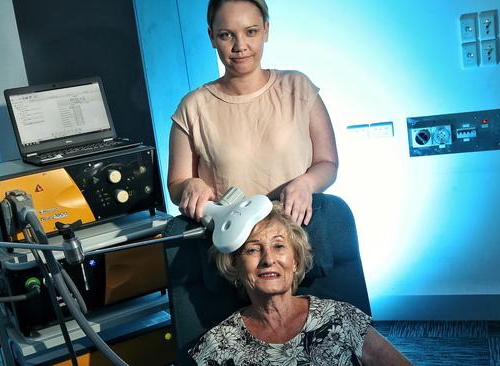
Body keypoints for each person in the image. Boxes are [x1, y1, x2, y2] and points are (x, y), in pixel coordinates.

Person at [168, 0, 338, 226]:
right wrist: (189, 186)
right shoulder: (192, 107)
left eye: (251, 32)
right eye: (226, 35)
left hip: (299, 234)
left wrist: (306, 183)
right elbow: (176, 185)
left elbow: (327, 162)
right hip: (230, 246)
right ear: (211, 37)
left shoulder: (298, 88)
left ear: (265, 30)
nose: (240, 46)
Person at [189, 202, 411, 365]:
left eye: (279, 246)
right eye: (253, 249)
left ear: (295, 262)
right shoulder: (218, 345)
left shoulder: (340, 317)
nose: (268, 259)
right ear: (235, 266)